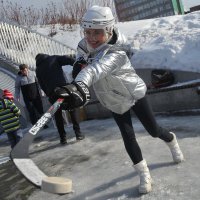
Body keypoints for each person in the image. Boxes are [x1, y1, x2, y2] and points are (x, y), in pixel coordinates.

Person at [54, 5, 184, 194]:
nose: (91, 38)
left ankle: (171, 140)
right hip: (112, 98)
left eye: (97, 33)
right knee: (128, 136)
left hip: (133, 94)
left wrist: (79, 83)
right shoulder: (83, 46)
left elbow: (95, 70)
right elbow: (81, 64)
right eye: (87, 32)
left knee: (153, 130)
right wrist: (74, 82)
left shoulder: (119, 50)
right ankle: (143, 174)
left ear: (108, 30)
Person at [35, 54, 84, 145]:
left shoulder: (38, 69)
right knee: (72, 109)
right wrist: (77, 65)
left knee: (58, 115)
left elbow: (41, 84)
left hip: (53, 93)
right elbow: (68, 59)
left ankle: (63, 138)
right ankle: (78, 134)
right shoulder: (53, 58)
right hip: (63, 89)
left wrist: (49, 94)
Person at [14, 64, 48, 128]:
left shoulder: (33, 73)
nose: (24, 72)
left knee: (40, 109)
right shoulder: (18, 77)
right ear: (20, 71)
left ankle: (44, 124)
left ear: (27, 69)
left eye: (25, 70)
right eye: (22, 71)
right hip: (27, 98)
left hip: (36, 96)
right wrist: (17, 96)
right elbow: (17, 87)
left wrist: (42, 91)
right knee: (31, 110)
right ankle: (35, 125)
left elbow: (38, 83)